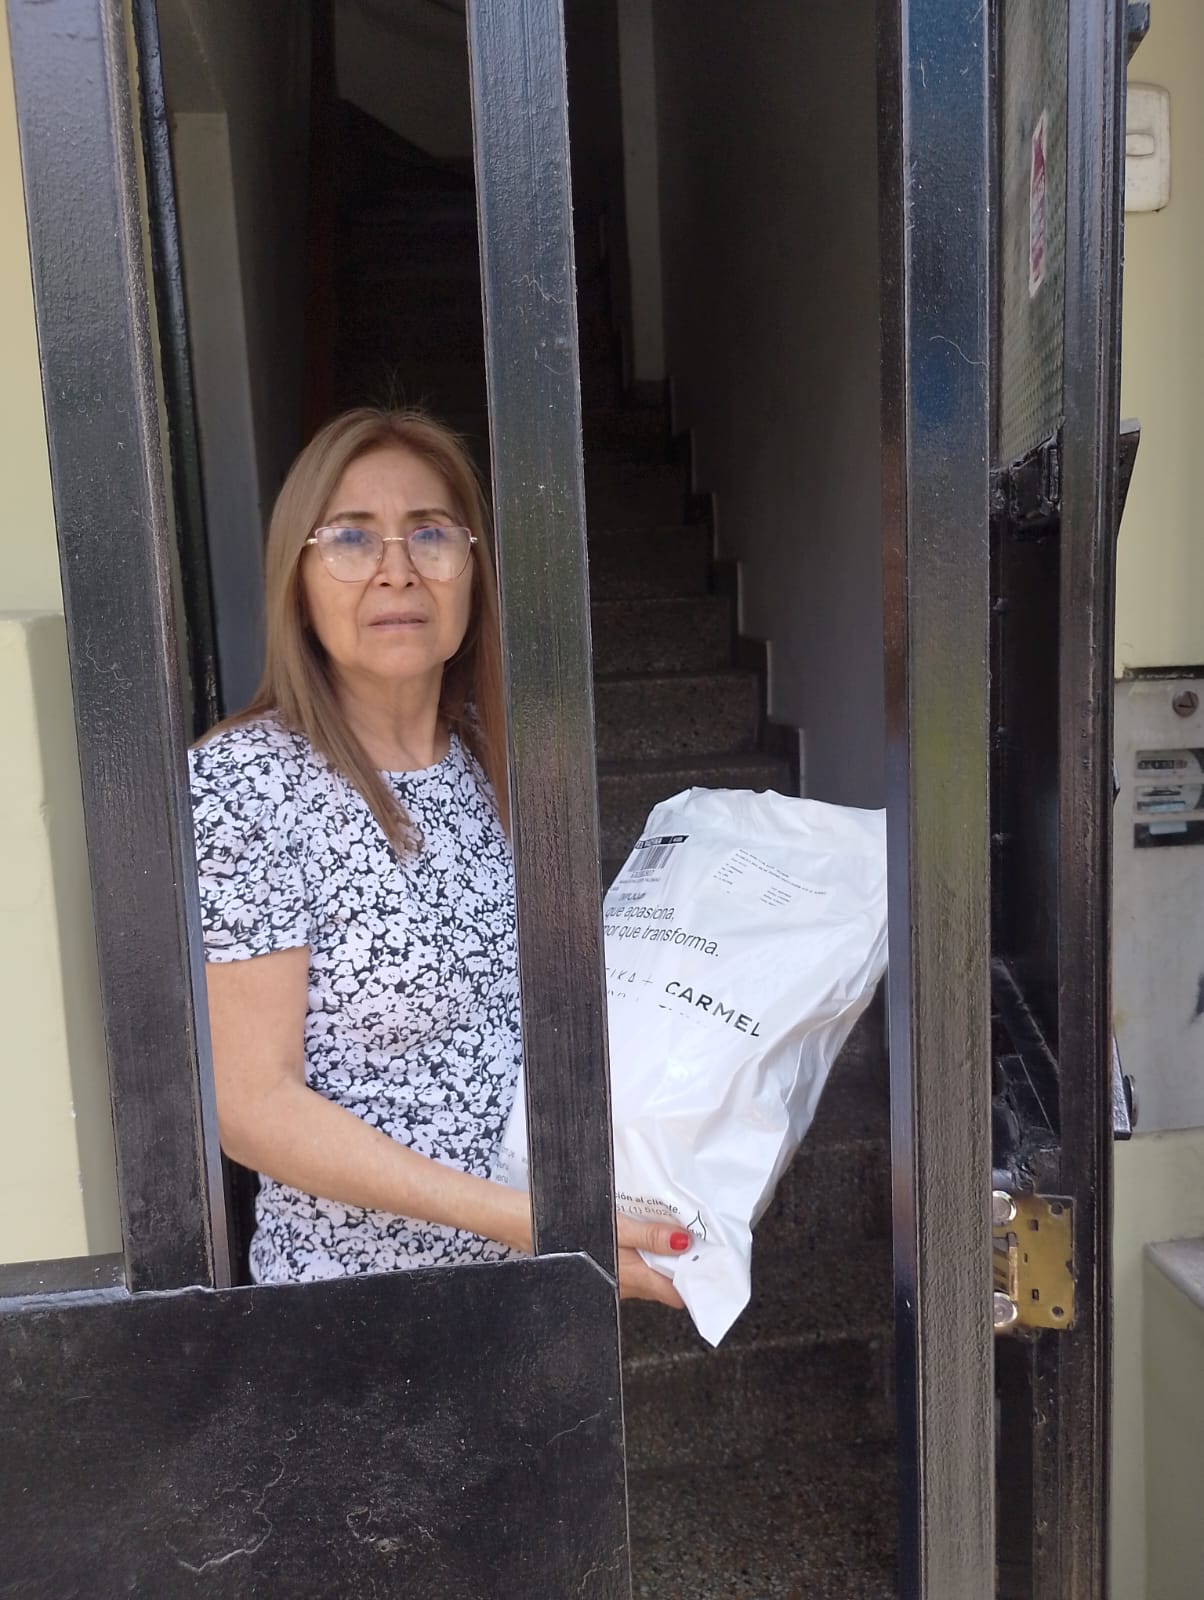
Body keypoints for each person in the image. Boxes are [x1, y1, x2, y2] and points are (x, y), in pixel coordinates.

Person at [189, 407, 686, 1302]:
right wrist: (535, 1221)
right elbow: (253, 1106)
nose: (398, 569)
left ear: (471, 568)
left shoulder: (493, 762)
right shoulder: (246, 780)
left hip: (541, 1301)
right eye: (351, 537)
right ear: (297, 577)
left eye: (431, 534)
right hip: (365, 1316)